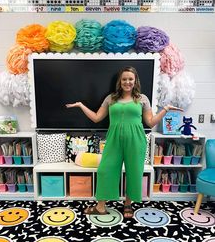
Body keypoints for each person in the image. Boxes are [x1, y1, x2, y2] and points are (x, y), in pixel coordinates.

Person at [66, 66, 183, 218]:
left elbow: (150, 122)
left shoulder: (142, 99)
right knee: (104, 170)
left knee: (133, 172)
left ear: (135, 81)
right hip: (113, 139)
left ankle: (127, 204)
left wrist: (165, 109)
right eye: (124, 79)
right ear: (120, 81)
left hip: (136, 140)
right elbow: (96, 118)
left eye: (130, 79)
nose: (127, 82)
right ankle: (100, 206)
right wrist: (81, 105)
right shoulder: (111, 99)